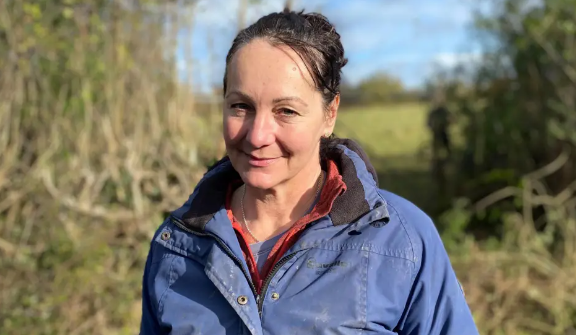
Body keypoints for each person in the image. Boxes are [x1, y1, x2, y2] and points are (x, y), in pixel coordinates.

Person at [140, 8, 479, 335]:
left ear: (329, 114)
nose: (258, 136)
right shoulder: (177, 244)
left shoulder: (401, 240)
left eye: (286, 110)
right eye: (241, 106)